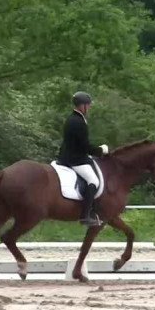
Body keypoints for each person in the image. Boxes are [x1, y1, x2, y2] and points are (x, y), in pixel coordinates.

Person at [57, 91, 109, 226]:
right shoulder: (78, 121)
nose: (89, 107)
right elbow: (84, 146)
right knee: (93, 181)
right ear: (82, 106)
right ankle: (85, 215)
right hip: (75, 159)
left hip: (69, 155)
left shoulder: (73, 118)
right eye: (88, 105)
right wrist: (100, 150)